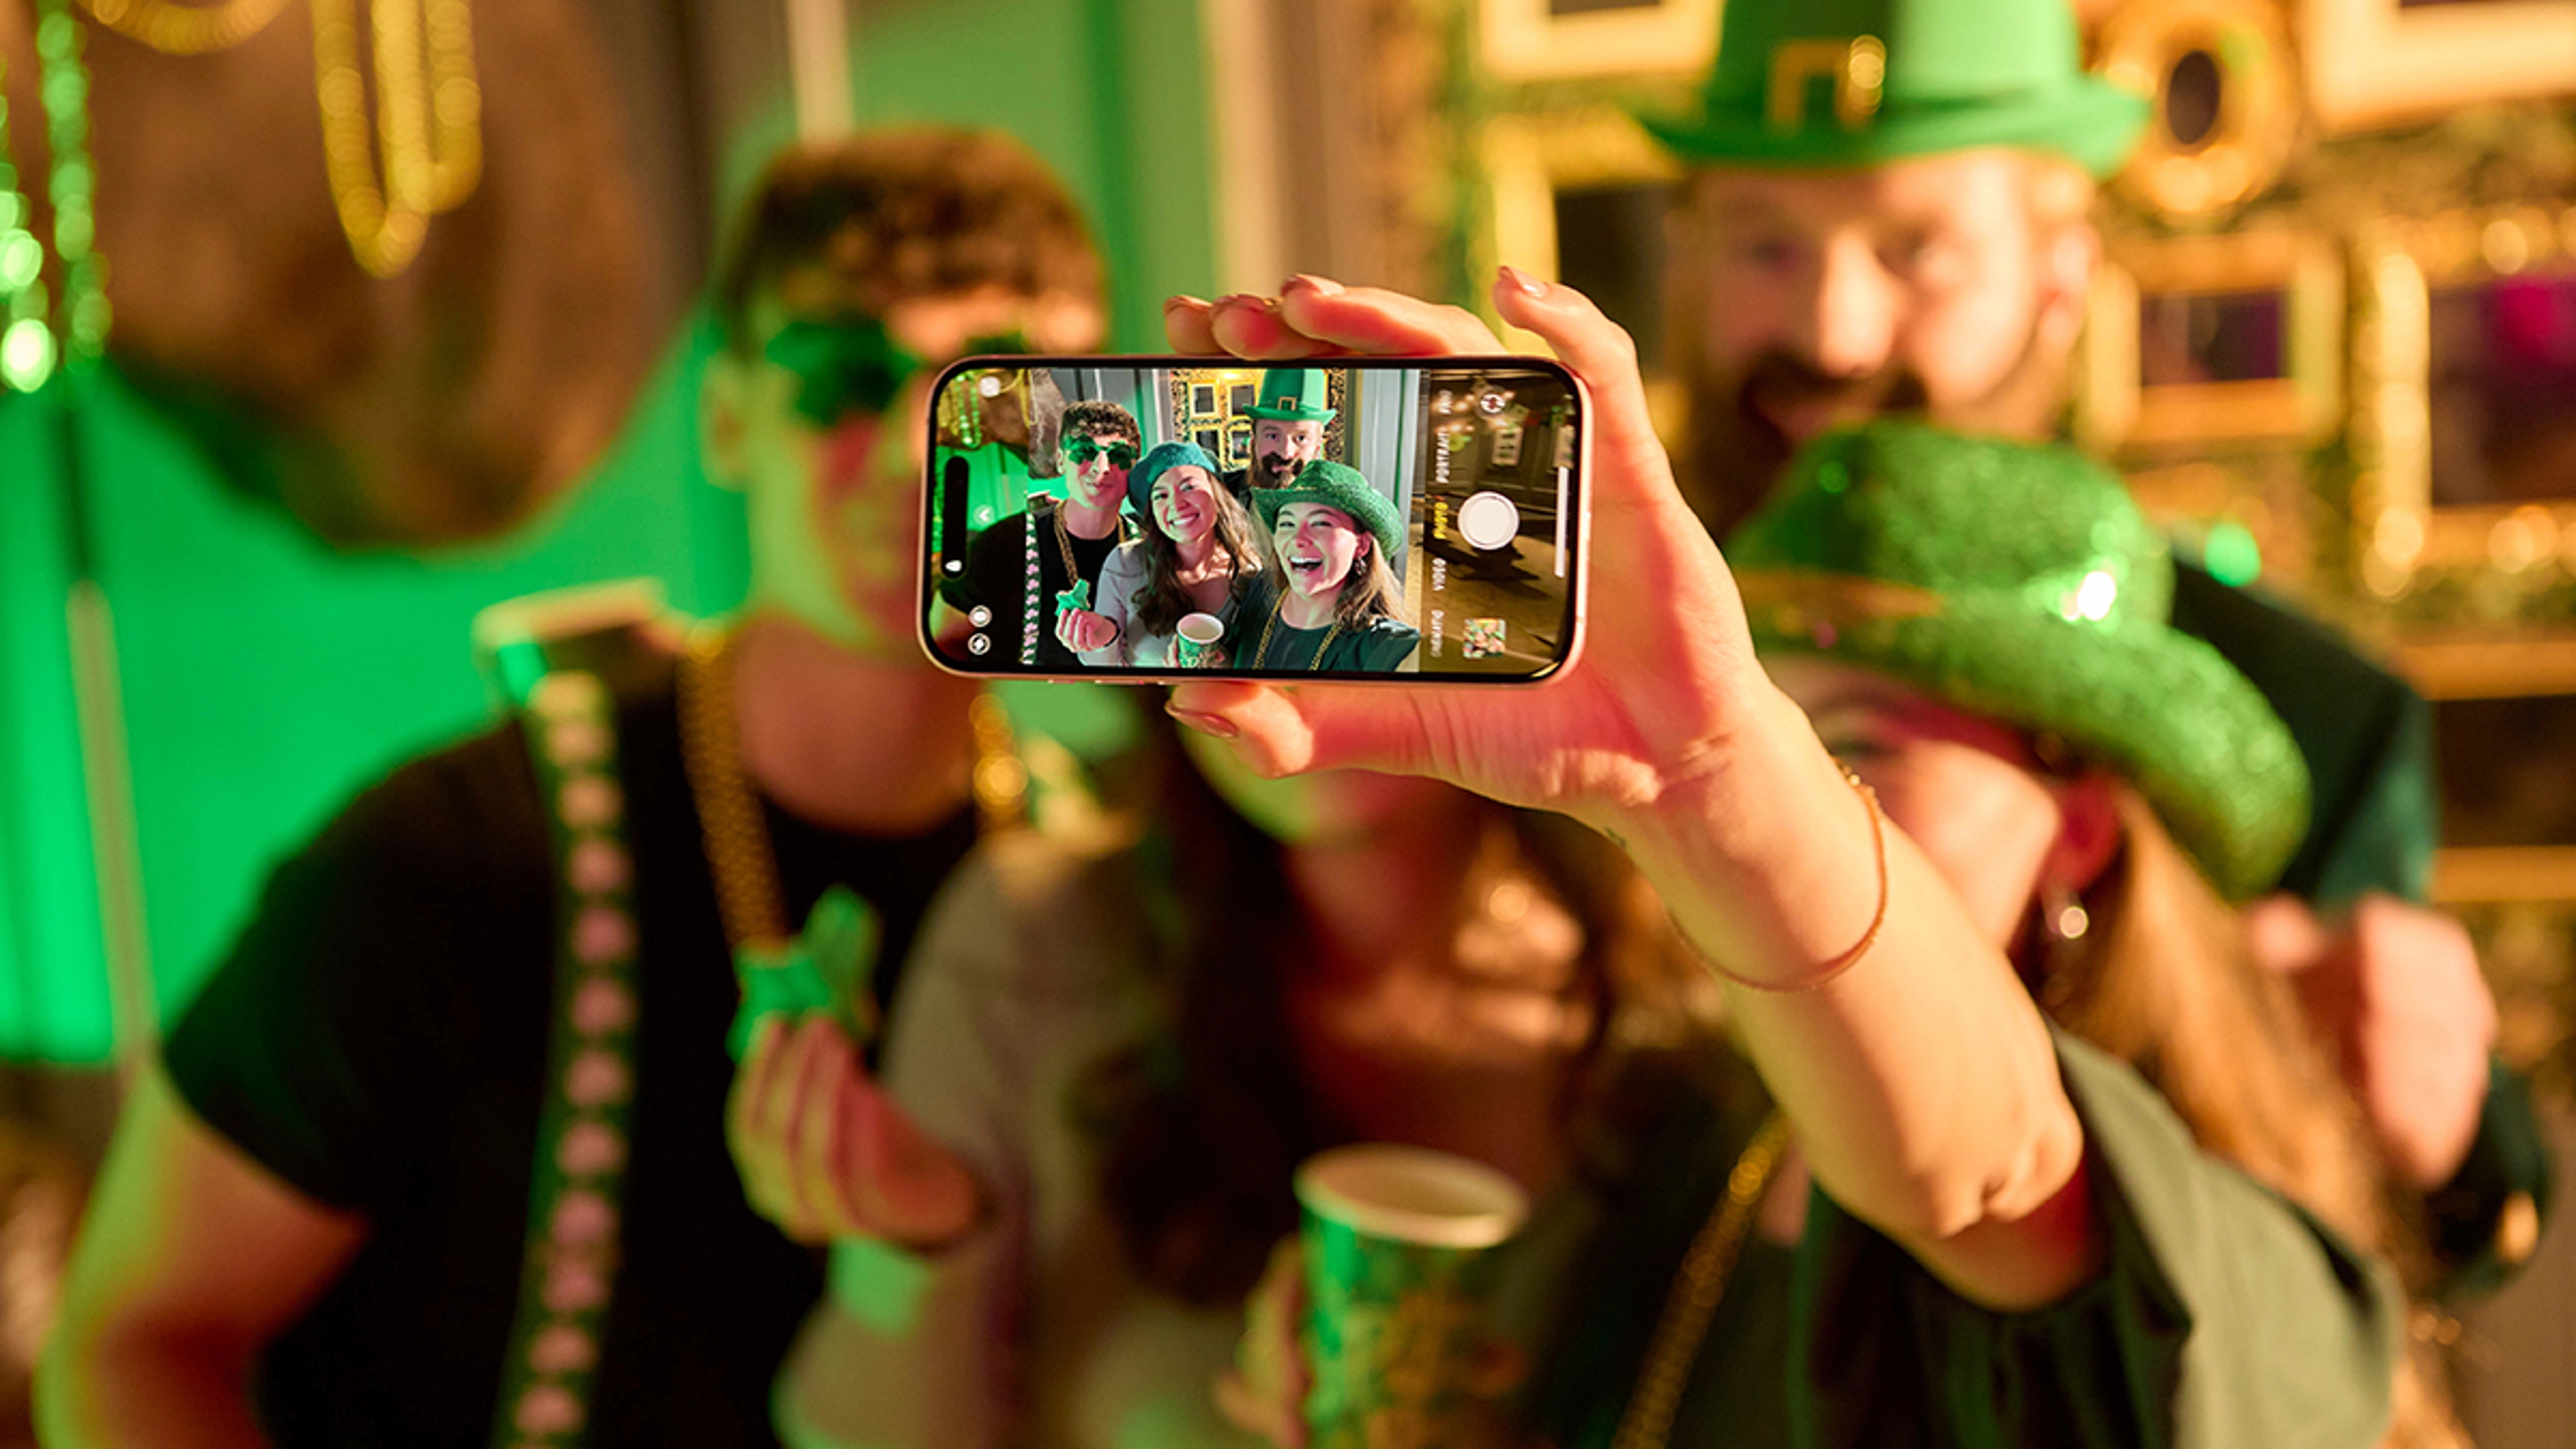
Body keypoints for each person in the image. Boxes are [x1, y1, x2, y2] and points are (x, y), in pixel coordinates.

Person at [731, 275, 2452, 1448]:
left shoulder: (2202, 1233)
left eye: (1857, 742)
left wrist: (1719, 771)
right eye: (1788, 715)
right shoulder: (1706, 1133)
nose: (1808, 787)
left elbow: (1994, 1169)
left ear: (2075, 816)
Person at [37, 127, 1108, 1449]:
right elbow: (135, 1341)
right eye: (839, 382)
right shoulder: (458, 858)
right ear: (727, 418)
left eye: (995, 396)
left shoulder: (1114, 896)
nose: (914, 454)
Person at [1643, 0, 2548, 1290]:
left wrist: (2447, 1138)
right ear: (1684, 259)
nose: (1832, 332)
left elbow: (2385, 1276)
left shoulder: (2294, 707)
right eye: (1765, 247)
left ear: (2058, 280)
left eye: (1917, 251)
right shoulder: (1545, 626)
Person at [957, 399, 1139, 671]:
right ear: (1061, 460)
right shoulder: (1005, 543)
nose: (1102, 468)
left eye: (1119, 455)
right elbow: (951, 640)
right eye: (1084, 452)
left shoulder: (1153, 547)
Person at [1075, 440, 1265, 667]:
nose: (1177, 504)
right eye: (1160, 496)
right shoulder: (1125, 563)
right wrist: (1100, 641)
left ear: (1217, 494)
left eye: (1189, 487)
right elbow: (1102, 671)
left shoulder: (1249, 574)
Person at [1227, 459, 1418, 672]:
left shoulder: (1379, 646)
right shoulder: (1261, 589)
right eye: (1287, 524)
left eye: (1321, 523)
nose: (1298, 539)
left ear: (1362, 545)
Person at [1222, 367, 1337, 498]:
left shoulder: (1338, 507)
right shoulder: (1222, 494)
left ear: (1317, 447)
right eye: (1273, 436)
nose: (1286, 453)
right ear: (1253, 441)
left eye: (1301, 438)